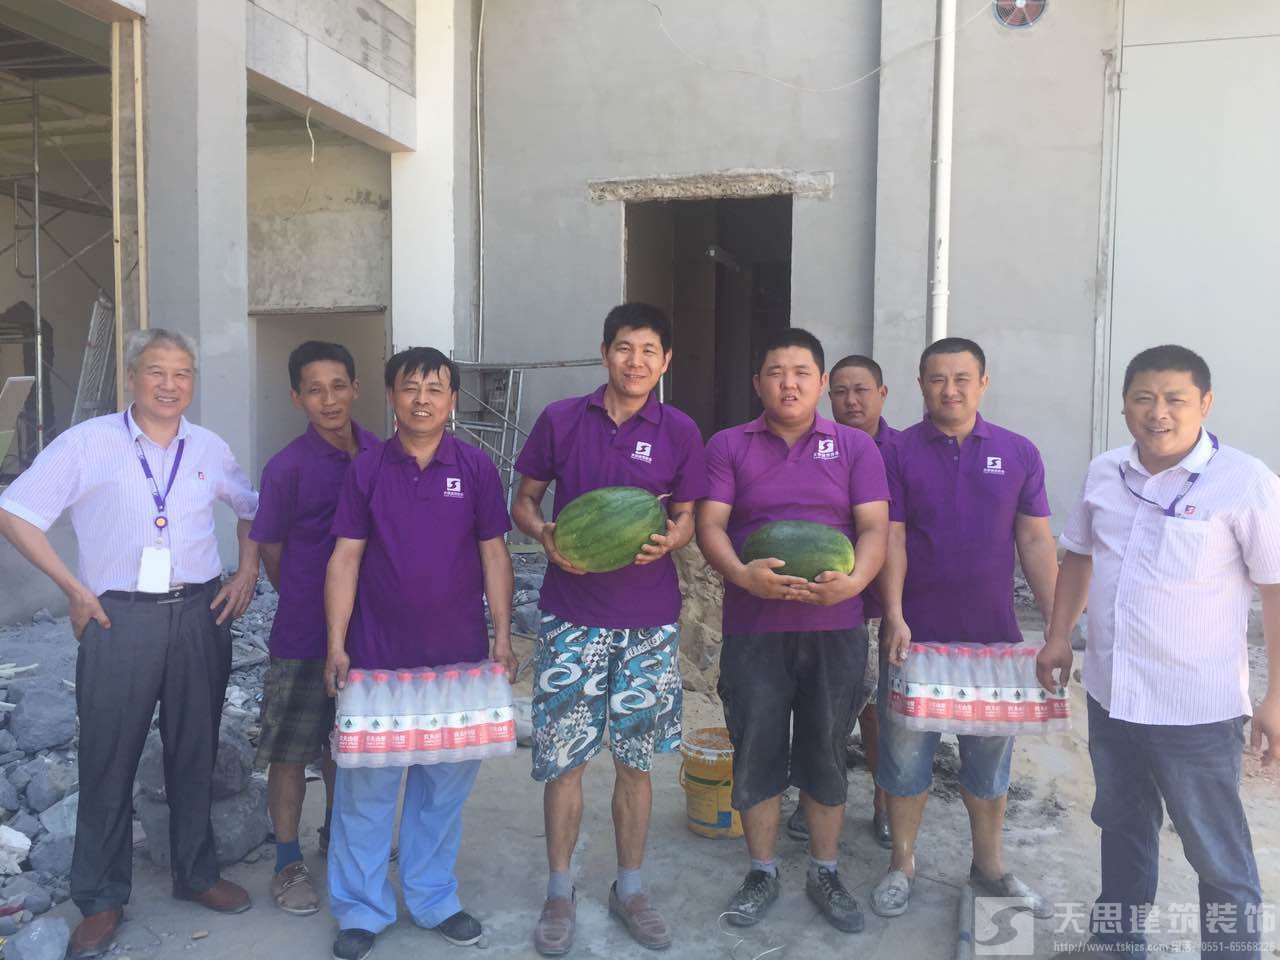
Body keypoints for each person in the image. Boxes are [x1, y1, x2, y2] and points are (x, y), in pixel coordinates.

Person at [0, 329, 260, 959]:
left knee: (194, 748)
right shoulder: (87, 443)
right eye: (156, 372)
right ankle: (100, 897)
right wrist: (72, 588)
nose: (170, 385)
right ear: (132, 376)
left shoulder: (209, 446)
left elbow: (253, 506)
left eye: (182, 373)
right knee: (108, 756)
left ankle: (195, 872)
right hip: (119, 619)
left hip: (200, 614)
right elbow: (15, 511)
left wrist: (248, 571)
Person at [1039, 345, 1280, 960]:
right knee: (1121, 827)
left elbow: (1276, 589)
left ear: (1205, 403)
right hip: (1112, 695)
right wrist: (1059, 635)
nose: (1159, 412)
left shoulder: (1245, 481)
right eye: (1144, 398)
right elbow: (1079, 555)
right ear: (1124, 406)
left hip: (1195, 710)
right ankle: (1117, 943)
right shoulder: (1106, 472)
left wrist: (1276, 697)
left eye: (1175, 399)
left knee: (1216, 854)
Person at [511, 303, 707, 956]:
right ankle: (559, 890)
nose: (636, 361)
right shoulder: (562, 419)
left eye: (649, 350)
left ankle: (631, 888)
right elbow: (524, 500)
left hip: (648, 623)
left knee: (635, 762)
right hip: (571, 618)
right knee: (564, 763)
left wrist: (673, 539)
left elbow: (687, 516)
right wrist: (544, 533)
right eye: (625, 348)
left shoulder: (680, 430)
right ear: (605, 353)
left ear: (665, 360)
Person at [322, 347, 516, 960]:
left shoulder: (476, 468)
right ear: (392, 396)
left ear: (452, 399)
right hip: (376, 660)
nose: (423, 399)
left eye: (435, 388)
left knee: (442, 790)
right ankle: (361, 909)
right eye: (411, 388)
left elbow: (494, 555)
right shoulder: (367, 469)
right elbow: (345, 558)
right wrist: (336, 643)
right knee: (366, 793)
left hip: (458, 664)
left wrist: (503, 635)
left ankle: (434, 898)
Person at [697, 328, 889, 934]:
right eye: (776, 372)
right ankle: (762, 871)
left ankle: (825, 871)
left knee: (826, 749)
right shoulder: (728, 445)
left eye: (802, 372)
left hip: (835, 626)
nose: (789, 383)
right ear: (758, 383)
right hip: (754, 626)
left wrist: (852, 585)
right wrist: (741, 575)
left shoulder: (855, 448)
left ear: (821, 382)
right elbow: (711, 525)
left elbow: (875, 530)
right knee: (756, 745)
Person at [870, 336, 1058, 920]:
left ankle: (990, 866)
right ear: (920, 385)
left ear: (983, 383)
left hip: (993, 641)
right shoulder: (897, 452)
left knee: (988, 764)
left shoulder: (1018, 452)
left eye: (961, 379)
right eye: (937, 379)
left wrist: (1057, 630)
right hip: (916, 638)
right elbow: (893, 537)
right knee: (906, 762)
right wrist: (894, 615)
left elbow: (1035, 540)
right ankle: (902, 864)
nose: (949, 390)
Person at [249, 341, 379, 916]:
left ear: (356, 388)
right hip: (302, 632)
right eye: (315, 390)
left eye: (338, 386)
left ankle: (336, 836)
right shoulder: (286, 468)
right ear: (296, 398)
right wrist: (307, 598)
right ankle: (287, 861)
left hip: (370, 632)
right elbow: (271, 549)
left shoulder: (381, 455)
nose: (329, 400)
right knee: (291, 749)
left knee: (348, 745)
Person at [786, 354, 896, 848]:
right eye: (841, 392)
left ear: (882, 394)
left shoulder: (901, 450)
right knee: (824, 707)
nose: (851, 401)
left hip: (881, 601)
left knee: (876, 708)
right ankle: (814, 796)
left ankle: (883, 802)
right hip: (824, 601)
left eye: (862, 391)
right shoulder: (814, 446)